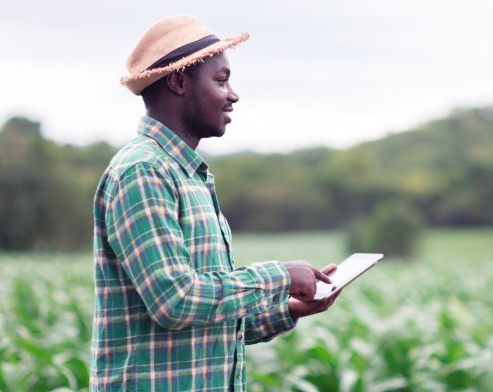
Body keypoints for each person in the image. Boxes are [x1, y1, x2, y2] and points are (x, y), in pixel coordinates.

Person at [90, 15, 340, 391]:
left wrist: (289, 307)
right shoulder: (143, 171)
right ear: (178, 82)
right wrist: (281, 276)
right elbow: (175, 301)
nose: (233, 95)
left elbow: (209, 319)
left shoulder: (190, 175)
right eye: (221, 80)